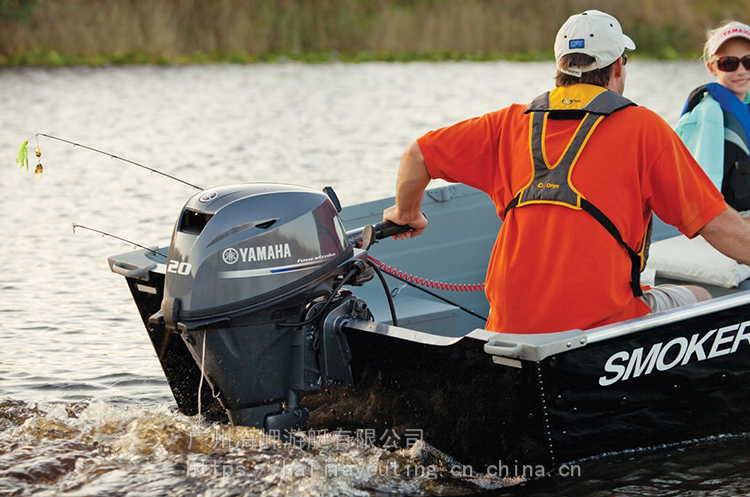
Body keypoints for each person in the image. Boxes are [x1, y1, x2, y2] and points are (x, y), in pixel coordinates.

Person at [382, 10, 750, 335]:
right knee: (701, 298)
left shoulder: (507, 124)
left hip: (506, 329)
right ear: (618, 66)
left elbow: (418, 154)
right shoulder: (644, 128)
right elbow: (716, 225)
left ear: (560, 67)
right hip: (601, 330)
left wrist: (406, 213)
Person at [676, 21, 750, 211]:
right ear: (712, 68)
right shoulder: (709, 114)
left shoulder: (745, 104)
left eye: (748, 62)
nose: (741, 71)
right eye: (729, 63)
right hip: (732, 226)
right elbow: (702, 199)